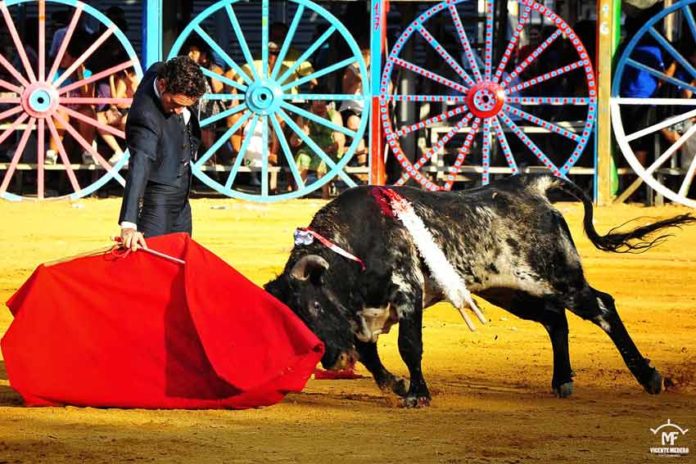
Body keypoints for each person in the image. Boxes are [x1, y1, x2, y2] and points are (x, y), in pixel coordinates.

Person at [118, 56, 206, 251]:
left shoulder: (160, 70)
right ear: (163, 84)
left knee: (181, 258)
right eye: (175, 103)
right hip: (158, 199)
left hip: (182, 191)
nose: (179, 111)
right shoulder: (146, 118)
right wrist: (129, 224)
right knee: (150, 261)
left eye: (185, 105)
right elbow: (139, 165)